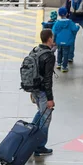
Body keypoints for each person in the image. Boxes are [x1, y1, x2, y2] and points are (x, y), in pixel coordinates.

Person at [30, 29, 55, 157]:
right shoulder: (49, 56)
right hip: (43, 92)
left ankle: (29, 136)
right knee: (46, 118)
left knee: (41, 113)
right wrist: (50, 98)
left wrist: (31, 90)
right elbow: (47, 79)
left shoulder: (35, 50)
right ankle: (39, 146)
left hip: (34, 89)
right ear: (49, 39)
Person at [52, 7, 79, 73]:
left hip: (59, 41)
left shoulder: (57, 23)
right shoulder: (70, 22)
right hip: (67, 41)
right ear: (67, 14)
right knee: (66, 53)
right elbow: (74, 29)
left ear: (59, 15)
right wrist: (77, 26)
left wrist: (54, 41)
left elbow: (54, 32)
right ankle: (64, 66)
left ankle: (58, 63)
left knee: (59, 51)